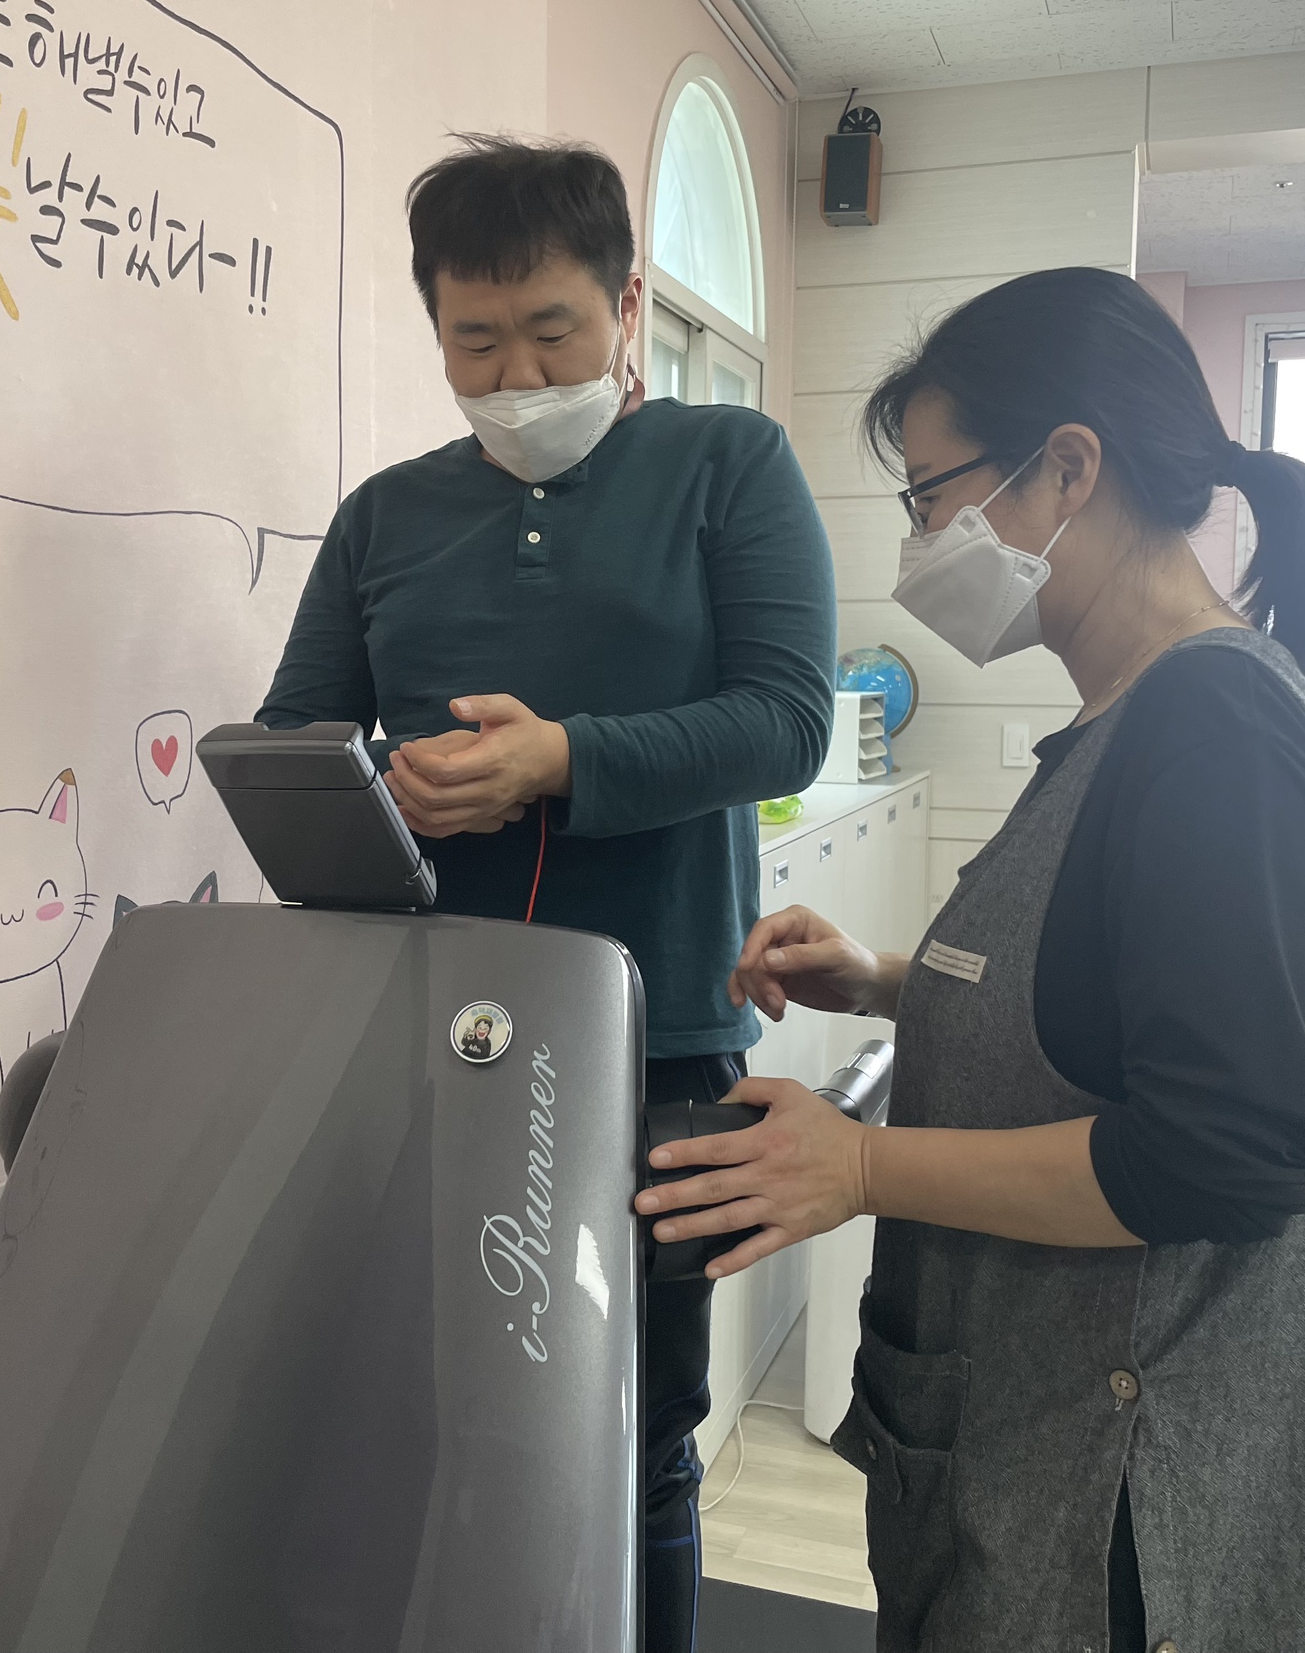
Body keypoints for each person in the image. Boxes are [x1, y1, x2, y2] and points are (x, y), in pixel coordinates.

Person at [631, 266, 1305, 1653]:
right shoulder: (1133, 714)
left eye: (933, 498)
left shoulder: (1219, 728)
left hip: (1141, 1505)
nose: (921, 544)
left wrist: (862, 1166)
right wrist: (888, 978)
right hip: (1038, 1445)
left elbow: (1218, 1151)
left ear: (1069, 467)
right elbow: (1118, 991)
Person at [256, 135, 837, 1651]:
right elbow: (300, 733)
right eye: (475, 342)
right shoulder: (385, 515)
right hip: (424, 1032)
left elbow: (787, 719)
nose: (516, 375)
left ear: (628, 306)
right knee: (432, 1406)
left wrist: (561, 760)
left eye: (552, 330)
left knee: (636, 1426)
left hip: (659, 1036)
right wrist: (387, 780)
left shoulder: (729, 466)